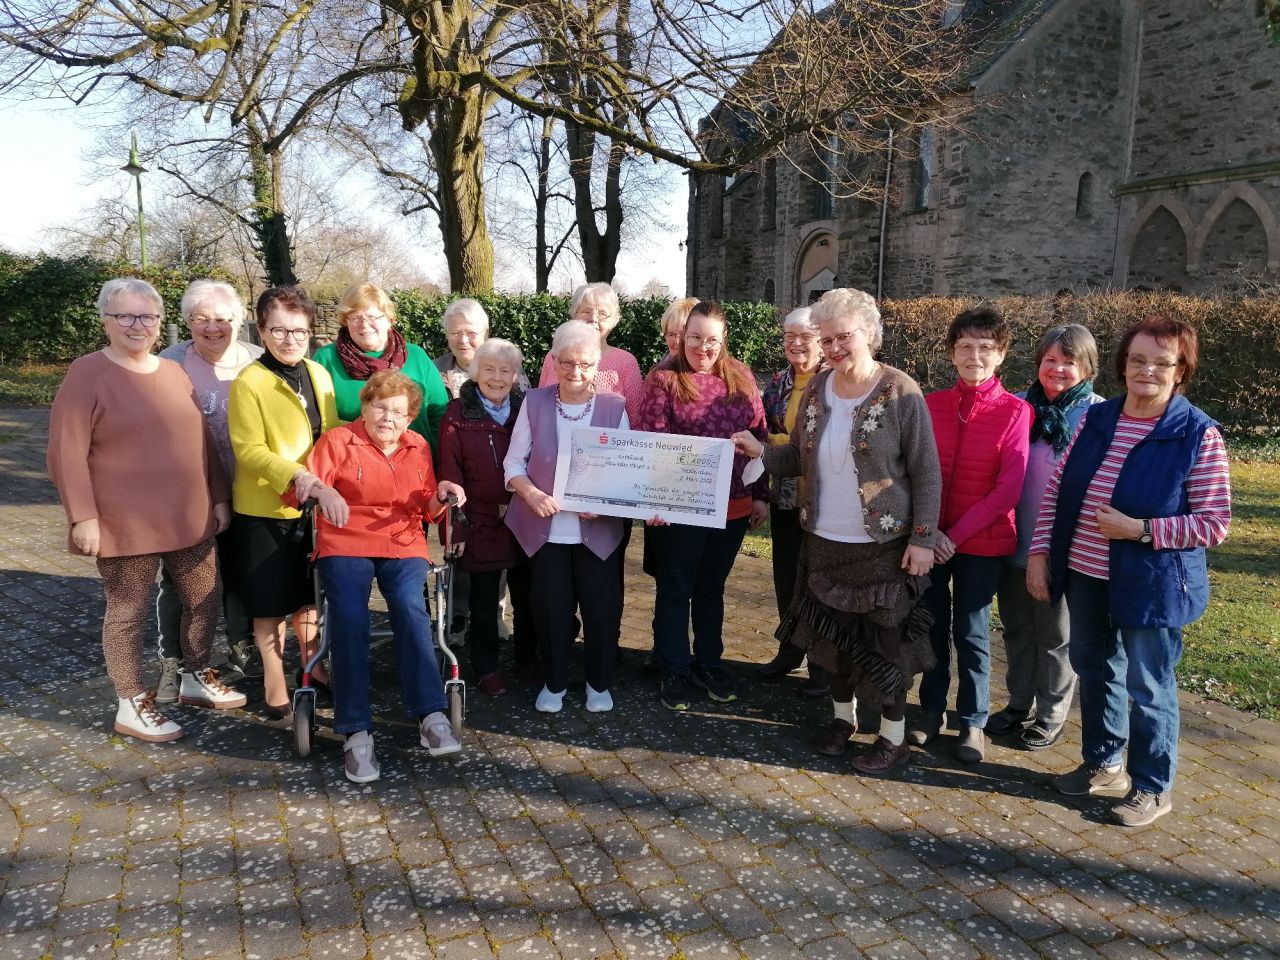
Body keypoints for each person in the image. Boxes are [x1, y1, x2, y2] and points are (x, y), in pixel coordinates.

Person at [1028, 317, 1231, 827]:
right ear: (1123, 364)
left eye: (1163, 363)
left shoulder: (1196, 433)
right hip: (1086, 573)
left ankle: (1152, 786)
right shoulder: (1099, 420)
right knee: (1095, 672)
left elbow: (1213, 523)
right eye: (1138, 359)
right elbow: (1055, 491)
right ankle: (1103, 764)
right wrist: (1039, 554)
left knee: (1148, 685)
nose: (1147, 370)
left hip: (1151, 584)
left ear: (1181, 371)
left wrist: (1141, 530)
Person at [734, 288, 940, 774]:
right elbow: (800, 458)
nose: (833, 348)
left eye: (842, 337)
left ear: (869, 333)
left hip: (882, 545)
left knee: (883, 646)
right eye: (826, 339)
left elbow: (927, 472)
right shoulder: (818, 389)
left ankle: (893, 738)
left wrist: (923, 538)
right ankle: (843, 719)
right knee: (832, 642)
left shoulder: (900, 390)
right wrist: (759, 450)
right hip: (823, 540)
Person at [47, 278, 245, 742]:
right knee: (128, 611)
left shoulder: (173, 371)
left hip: (188, 513)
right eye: (126, 316)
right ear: (106, 321)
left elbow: (202, 441)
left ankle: (195, 675)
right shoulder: (87, 372)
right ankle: (131, 701)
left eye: (148, 316)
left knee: (204, 596)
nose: (138, 325)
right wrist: (82, 516)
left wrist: (218, 495)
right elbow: (65, 450)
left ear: (160, 322)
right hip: (123, 520)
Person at [299, 370, 467, 782]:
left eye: (397, 411)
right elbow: (303, 483)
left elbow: (427, 507)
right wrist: (323, 490)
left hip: (401, 542)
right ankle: (356, 730)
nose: (387, 417)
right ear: (366, 406)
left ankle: (430, 713)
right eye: (379, 406)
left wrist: (443, 493)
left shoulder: (418, 445)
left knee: (412, 609)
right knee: (350, 618)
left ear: (410, 417)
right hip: (345, 542)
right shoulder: (338, 441)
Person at [910, 306, 1031, 763]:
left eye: (985, 347)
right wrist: (929, 533)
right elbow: (916, 472)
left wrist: (953, 536)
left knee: (973, 633)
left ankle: (973, 722)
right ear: (951, 352)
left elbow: (1009, 489)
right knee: (932, 629)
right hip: (931, 541)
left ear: (1000, 355)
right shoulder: (931, 404)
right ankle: (930, 712)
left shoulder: (1016, 411)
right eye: (965, 346)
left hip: (981, 543)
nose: (974, 355)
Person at [638, 300, 769, 710]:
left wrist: (761, 494)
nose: (703, 348)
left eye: (712, 340)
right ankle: (674, 667)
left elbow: (759, 436)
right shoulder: (663, 380)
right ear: (683, 337)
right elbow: (650, 441)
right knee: (676, 589)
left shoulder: (742, 376)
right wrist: (653, 500)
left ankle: (708, 662)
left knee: (711, 590)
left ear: (723, 339)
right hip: (680, 508)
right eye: (695, 338)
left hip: (733, 505)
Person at [987, 324, 1104, 750]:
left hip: (1064, 548)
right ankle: (1018, 703)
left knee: (1056, 635)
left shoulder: (1099, 416)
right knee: (1017, 628)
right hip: (1012, 541)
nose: (1057, 369)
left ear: (1087, 368)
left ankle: (1050, 714)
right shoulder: (1019, 407)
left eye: (1068, 362)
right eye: (1049, 360)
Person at [505, 321, 628, 714]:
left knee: (601, 609)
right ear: (554, 362)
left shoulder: (614, 407)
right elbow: (513, 463)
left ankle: (598, 683)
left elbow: (626, 471)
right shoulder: (535, 402)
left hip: (598, 530)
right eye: (568, 363)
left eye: (586, 364)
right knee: (552, 610)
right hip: (546, 530)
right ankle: (555, 683)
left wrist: (605, 502)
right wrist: (532, 493)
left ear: (598, 365)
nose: (576, 372)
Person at [228, 285, 339, 719]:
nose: (289, 339)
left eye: (299, 330)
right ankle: (274, 675)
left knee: (307, 595)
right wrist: (297, 475)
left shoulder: (319, 374)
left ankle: (312, 664)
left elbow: (329, 434)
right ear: (261, 329)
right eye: (279, 329)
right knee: (270, 598)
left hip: (312, 506)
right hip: (266, 506)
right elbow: (248, 449)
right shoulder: (249, 382)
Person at [153, 279, 265, 702]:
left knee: (241, 573)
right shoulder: (171, 362)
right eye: (201, 319)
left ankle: (242, 645)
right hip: (189, 489)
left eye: (222, 318)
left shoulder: (257, 361)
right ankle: (174, 662)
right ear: (187, 323)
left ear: (238, 320)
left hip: (249, 486)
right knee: (183, 578)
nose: (213, 327)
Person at [437, 338, 537, 696]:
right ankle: (486, 667)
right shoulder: (457, 414)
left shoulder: (527, 408)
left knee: (528, 596)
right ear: (476, 372)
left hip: (525, 517)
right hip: (480, 519)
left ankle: (527, 659)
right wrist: (458, 525)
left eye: (505, 370)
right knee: (482, 600)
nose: (497, 377)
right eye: (489, 369)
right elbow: (450, 469)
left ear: (515, 375)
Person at [755, 305, 829, 697]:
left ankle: (822, 664)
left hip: (823, 502)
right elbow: (764, 434)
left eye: (805, 336)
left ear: (821, 340)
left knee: (818, 582)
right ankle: (790, 650)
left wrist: (782, 444)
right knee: (786, 577)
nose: (796, 343)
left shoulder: (834, 382)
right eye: (789, 336)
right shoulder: (777, 383)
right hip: (785, 495)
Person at [311, 283, 449, 450]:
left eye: (373, 317)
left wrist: (433, 458)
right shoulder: (326, 359)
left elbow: (440, 416)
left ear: (389, 320)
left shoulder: (417, 357)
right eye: (355, 318)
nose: (364, 324)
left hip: (416, 461)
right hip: (352, 464)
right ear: (345, 322)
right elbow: (316, 421)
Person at [538, 283, 644, 421]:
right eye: (586, 311)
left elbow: (635, 419)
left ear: (613, 321)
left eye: (602, 314)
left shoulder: (626, 362)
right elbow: (539, 406)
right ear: (574, 315)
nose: (593, 318)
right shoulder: (554, 355)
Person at [434, 297, 490, 400]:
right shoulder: (433, 371)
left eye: (471, 333)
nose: (463, 340)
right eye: (455, 333)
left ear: (486, 334)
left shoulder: (508, 369)